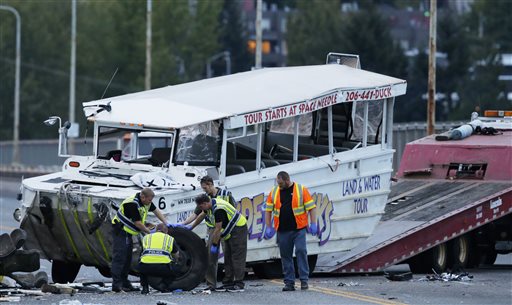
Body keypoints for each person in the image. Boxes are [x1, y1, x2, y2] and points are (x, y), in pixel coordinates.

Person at [180, 176, 237, 291]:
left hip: (226, 229)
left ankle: (229, 282)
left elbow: (234, 211)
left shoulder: (226, 194)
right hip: (212, 229)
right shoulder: (204, 198)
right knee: (210, 257)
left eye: (205, 188)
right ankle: (211, 284)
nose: (204, 190)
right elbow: (197, 214)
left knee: (228, 256)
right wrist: (184, 224)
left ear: (211, 184)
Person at [264, 171, 317, 291]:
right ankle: (289, 282)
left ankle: (304, 280)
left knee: (301, 251)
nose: (279, 186)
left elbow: (311, 208)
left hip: (299, 229)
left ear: (287, 180)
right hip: (282, 230)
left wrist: (313, 223)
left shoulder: (300, 190)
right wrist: (268, 226)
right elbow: (268, 210)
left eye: (281, 183)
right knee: (285, 256)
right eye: (278, 183)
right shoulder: (274, 192)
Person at [111, 188, 169, 292]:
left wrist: (166, 222)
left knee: (127, 258)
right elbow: (137, 223)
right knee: (120, 257)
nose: (150, 203)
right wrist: (149, 232)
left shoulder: (145, 201)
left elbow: (156, 211)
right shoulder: (132, 204)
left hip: (128, 232)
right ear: (143, 197)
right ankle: (116, 285)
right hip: (121, 230)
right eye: (149, 200)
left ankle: (124, 283)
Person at [195, 193, 247, 292]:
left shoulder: (218, 209)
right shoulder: (210, 204)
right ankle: (228, 282)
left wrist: (214, 245)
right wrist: (190, 226)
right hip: (229, 230)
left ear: (206, 203)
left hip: (238, 228)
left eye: (201, 206)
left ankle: (239, 283)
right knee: (228, 256)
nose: (201, 209)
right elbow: (202, 215)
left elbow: (218, 229)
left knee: (237, 256)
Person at [138, 223, 179, 294]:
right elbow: (176, 254)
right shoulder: (169, 238)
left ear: (156, 230)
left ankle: (145, 288)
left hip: (146, 267)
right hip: (163, 268)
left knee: (141, 265)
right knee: (176, 269)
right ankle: (164, 286)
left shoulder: (146, 237)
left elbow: (142, 253)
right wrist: (175, 261)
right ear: (166, 231)